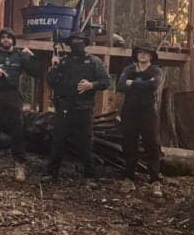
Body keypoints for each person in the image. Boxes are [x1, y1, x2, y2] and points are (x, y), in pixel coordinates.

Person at [46, 31, 110, 179]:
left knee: (85, 142)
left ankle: (89, 175)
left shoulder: (94, 61)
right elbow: (51, 82)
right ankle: (52, 173)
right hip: (64, 108)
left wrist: (91, 85)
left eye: (80, 41)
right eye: (74, 41)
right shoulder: (63, 62)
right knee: (58, 140)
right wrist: (54, 66)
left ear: (85, 43)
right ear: (70, 44)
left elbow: (106, 82)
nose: (77, 44)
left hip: (84, 108)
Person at [0, 28, 37, 181]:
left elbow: (34, 72)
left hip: (13, 96)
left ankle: (19, 166)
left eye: (9, 37)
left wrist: (31, 57)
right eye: (3, 37)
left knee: (18, 130)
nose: (6, 40)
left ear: (13, 40)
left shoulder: (19, 56)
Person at [117, 43, 164, 198]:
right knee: (129, 144)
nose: (143, 55)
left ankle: (155, 180)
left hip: (148, 112)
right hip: (130, 112)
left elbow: (153, 85)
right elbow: (121, 86)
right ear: (136, 55)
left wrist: (133, 83)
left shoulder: (155, 70)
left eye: (146, 53)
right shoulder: (129, 69)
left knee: (152, 144)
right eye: (140, 52)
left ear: (151, 56)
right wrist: (143, 84)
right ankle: (129, 178)